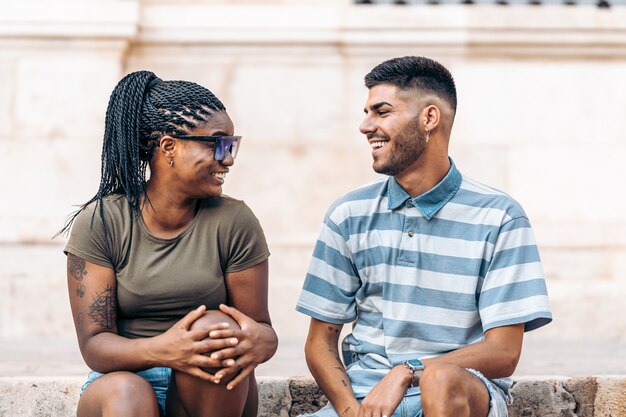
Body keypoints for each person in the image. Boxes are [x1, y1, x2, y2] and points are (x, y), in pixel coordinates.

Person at [296, 56, 552, 417]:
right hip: (367, 400)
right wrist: (351, 411)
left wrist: (409, 370)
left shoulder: (500, 216)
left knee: (442, 380)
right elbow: (319, 342)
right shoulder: (348, 213)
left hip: (460, 393)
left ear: (429, 118)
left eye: (381, 112)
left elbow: (504, 352)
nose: (365, 126)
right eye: (367, 112)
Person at [59, 70, 277, 417]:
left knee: (214, 331)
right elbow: (95, 344)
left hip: (210, 390)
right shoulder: (102, 222)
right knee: (128, 392)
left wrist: (264, 341)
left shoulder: (234, 221)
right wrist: (166, 349)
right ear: (169, 147)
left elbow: (258, 330)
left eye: (232, 144)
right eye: (218, 143)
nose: (229, 158)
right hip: (122, 382)